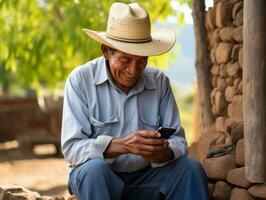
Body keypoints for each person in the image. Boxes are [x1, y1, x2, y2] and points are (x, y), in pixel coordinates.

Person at [61, 2, 209, 200]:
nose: (133, 70)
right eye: (125, 60)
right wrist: (123, 145)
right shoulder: (80, 81)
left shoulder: (159, 82)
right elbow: (72, 149)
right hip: (98, 178)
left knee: (190, 169)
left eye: (142, 61)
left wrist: (162, 152)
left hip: (148, 177)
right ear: (106, 51)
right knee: (95, 171)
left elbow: (179, 141)